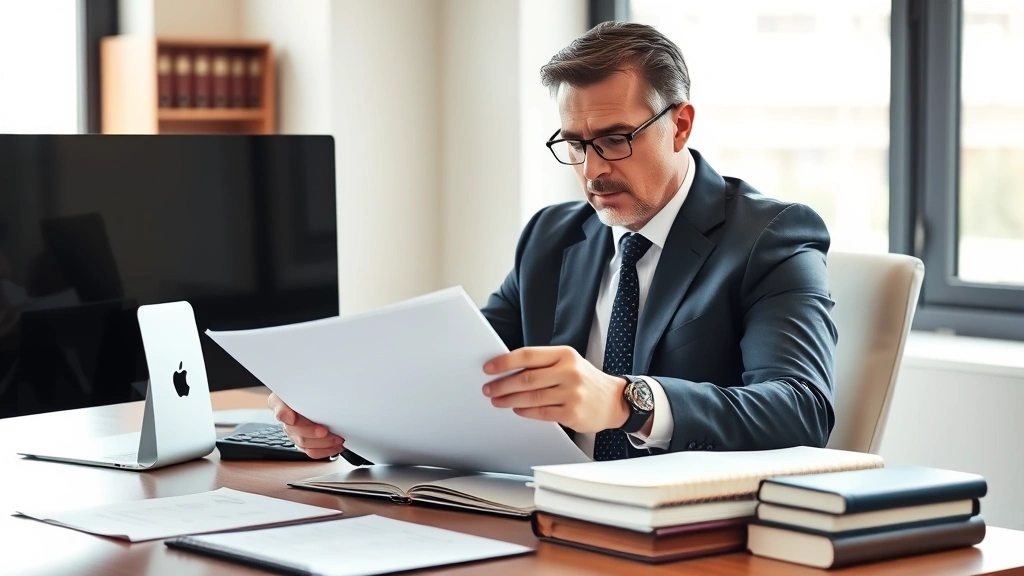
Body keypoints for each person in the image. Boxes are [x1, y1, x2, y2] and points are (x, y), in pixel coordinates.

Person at [270, 22, 837, 462]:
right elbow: (461, 382)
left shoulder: (771, 236)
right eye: (574, 143)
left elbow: (800, 410)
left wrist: (625, 402)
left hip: (680, 537)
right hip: (544, 517)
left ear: (681, 125)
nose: (592, 171)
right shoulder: (551, 237)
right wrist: (347, 422)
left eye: (615, 139)